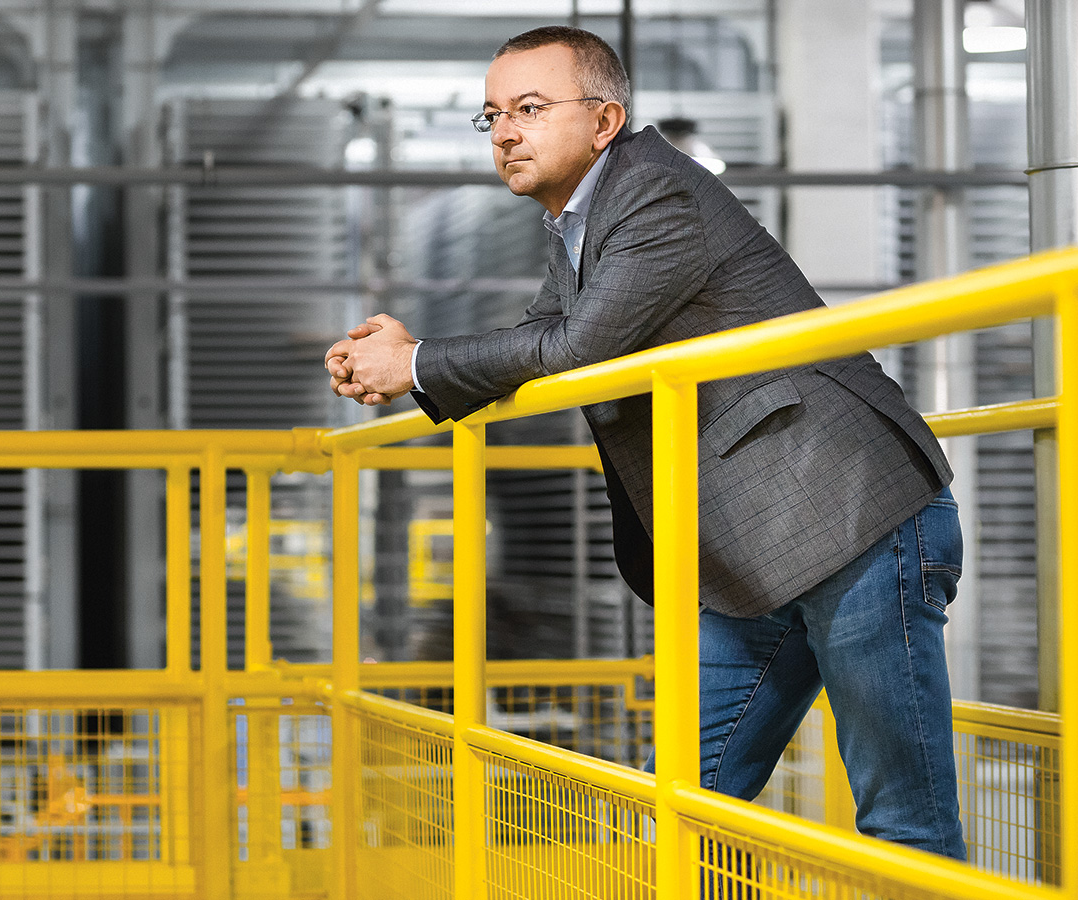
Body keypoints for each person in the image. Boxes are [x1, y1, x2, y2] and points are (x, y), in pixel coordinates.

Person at [323, 25, 966, 860]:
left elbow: (578, 347)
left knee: (902, 822)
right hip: (752, 553)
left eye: (529, 107)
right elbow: (544, 339)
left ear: (604, 120)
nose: (506, 131)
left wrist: (412, 364)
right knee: (682, 803)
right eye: (492, 117)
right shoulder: (580, 223)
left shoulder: (652, 192)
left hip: (853, 517)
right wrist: (414, 362)